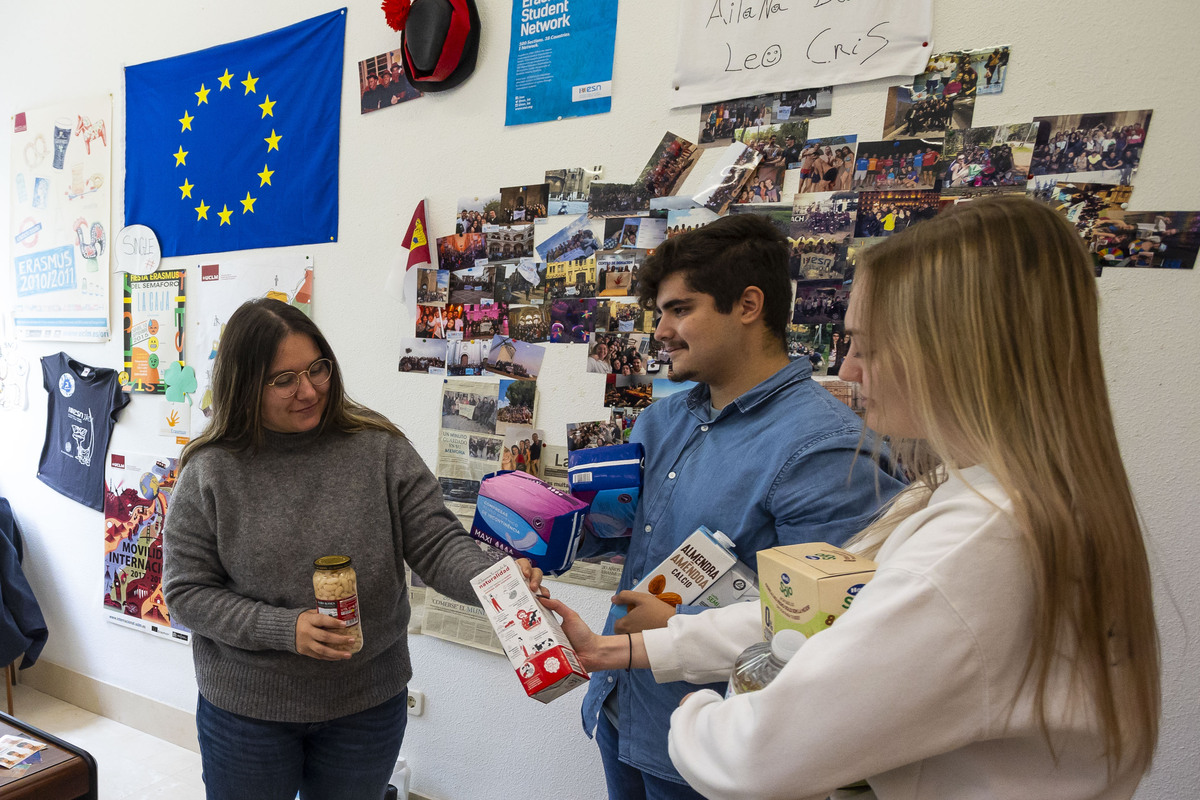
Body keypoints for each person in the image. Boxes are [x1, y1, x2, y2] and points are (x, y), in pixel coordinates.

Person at [545, 197, 1160, 800]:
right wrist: (619, 647)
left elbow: (765, 735)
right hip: (630, 704)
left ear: (951, 350)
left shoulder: (973, 535)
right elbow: (821, 614)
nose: (849, 369)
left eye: (865, 344)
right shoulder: (960, 493)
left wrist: (697, 709)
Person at [575, 214, 905, 800]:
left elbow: (838, 629)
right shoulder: (662, 419)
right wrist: (551, 535)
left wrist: (681, 628)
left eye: (681, 309)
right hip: (623, 708)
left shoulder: (825, 449)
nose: (660, 331)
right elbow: (633, 535)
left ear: (748, 305)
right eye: (660, 312)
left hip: (717, 752)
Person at [162, 299, 544, 800]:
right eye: (283, 380)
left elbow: (435, 541)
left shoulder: (377, 447)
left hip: (366, 704)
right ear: (244, 384)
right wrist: (285, 629)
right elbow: (186, 593)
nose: (309, 390)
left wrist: (499, 580)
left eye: (317, 368)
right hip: (248, 712)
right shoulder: (210, 470)